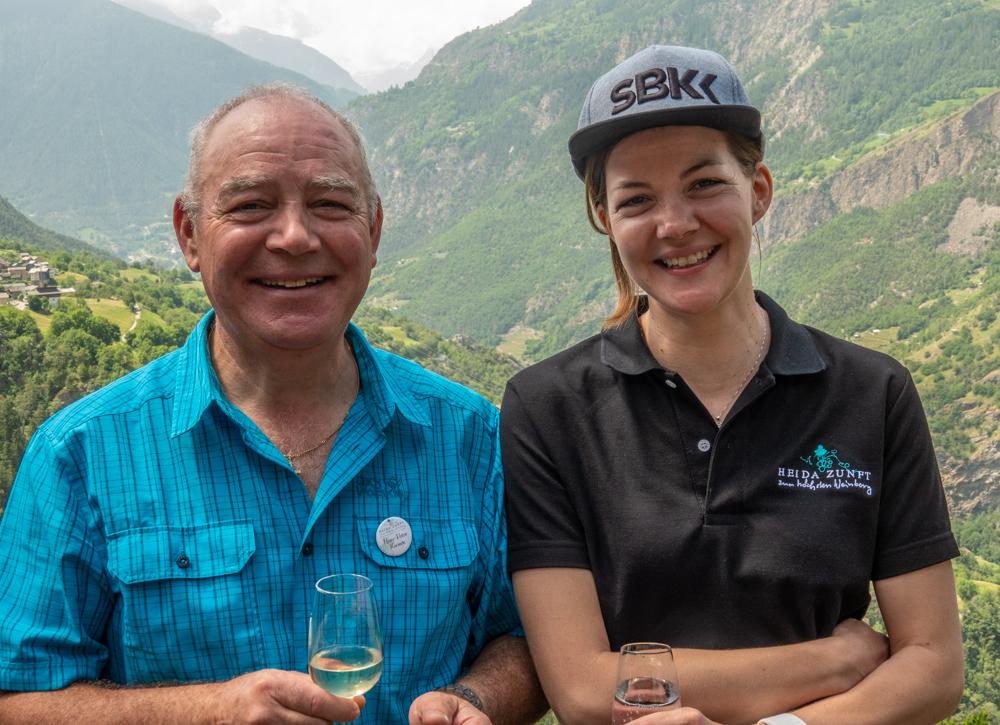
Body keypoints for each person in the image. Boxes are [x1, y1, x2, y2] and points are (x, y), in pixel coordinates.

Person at [0, 84, 545, 725]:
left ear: (373, 230)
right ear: (188, 233)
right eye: (251, 205)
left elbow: (527, 639)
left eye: (330, 204)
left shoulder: (472, 436)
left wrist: (475, 700)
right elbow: (17, 699)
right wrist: (204, 712)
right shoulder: (79, 456)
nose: (294, 236)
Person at [501, 45, 964, 725]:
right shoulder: (546, 407)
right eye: (636, 199)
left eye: (704, 184)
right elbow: (581, 687)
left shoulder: (873, 393)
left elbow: (934, 665)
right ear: (606, 219)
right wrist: (834, 660)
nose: (675, 224)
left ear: (759, 190)